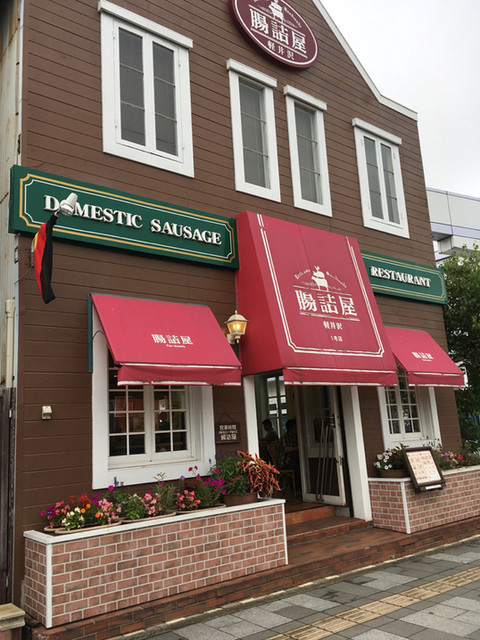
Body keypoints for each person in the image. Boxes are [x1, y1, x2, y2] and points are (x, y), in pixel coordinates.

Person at [279, 418, 301, 495]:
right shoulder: (285, 437)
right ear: (290, 428)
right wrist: (298, 448)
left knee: (303, 466)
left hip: (294, 460)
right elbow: (286, 449)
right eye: (295, 427)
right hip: (286, 462)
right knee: (298, 469)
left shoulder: (296, 437)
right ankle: (296, 489)